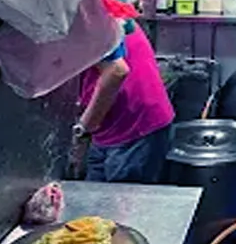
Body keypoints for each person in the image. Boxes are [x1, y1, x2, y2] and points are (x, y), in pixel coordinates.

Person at [73, 24, 175, 183]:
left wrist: (84, 127)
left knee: (125, 202)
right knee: (95, 198)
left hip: (135, 124)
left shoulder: (89, 19)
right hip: (106, 124)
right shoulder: (86, 12)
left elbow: (117, 71)